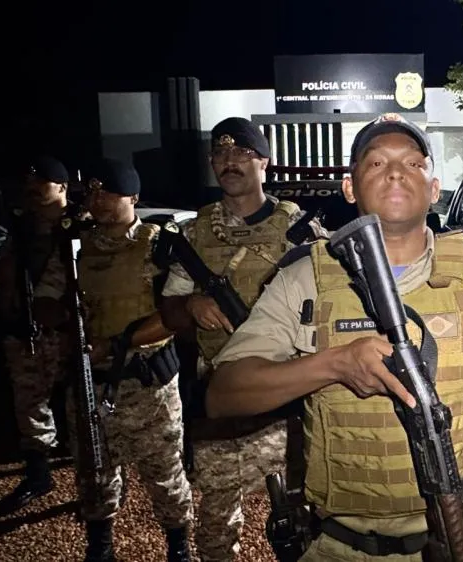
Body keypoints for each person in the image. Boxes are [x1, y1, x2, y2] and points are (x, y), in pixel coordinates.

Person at [205, 112, 463, 562]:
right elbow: (223, 395)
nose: (396, 172)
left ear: (434, 187)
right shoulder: (305, 280)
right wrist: (333, 365)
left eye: (412, 163)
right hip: (335, 543)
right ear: (349, 188)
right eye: (376, 163)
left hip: (447, 538)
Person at [159, 116, 326, 562]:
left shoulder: (300, 231)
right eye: (221, 153)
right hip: (218, 399)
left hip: (286, 404)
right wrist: (191, 307)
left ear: (265, 163)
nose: (230, 162)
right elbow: (169, 309)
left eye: (243, 154)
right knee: (215, 528)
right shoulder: (193, 235)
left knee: (304, 523)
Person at [33, 159, 193, 561]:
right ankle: (100, 546)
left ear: (133, 197)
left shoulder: (159, 245)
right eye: (94, 192)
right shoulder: (74, 246)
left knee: (165, 474)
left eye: (110, 193)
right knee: (94, 473)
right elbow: (46, 299)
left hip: (147, 386)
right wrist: (67, 321)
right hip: (91, 382)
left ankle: (179, 547)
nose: (99, 201)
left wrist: (114, 343)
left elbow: (173, 315)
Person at [0, 155, 71, 510]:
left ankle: (96, 472)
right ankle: (39, 474)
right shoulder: (22, 229)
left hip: (72, 328)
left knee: (86, 403)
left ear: (63, 188)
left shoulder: (79, 225)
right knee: (30, 400)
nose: (34, 194)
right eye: (30, 189)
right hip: (29, 326)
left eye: (42, 188)